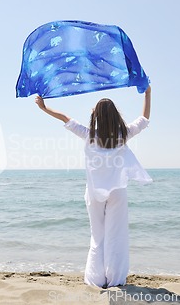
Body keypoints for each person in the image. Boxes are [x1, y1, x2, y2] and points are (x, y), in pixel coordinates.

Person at [35, 86, 152, 288]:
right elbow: (144, 118)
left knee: (98, 236)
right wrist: (147, 92)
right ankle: (115, 280)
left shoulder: (88, 135)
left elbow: (65, 118)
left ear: (96, 116)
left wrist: (44, 108)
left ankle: (95, 280)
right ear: (116, 116)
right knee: (116, 236)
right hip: (117, 193)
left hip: (94, 194)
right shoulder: (123, 135)